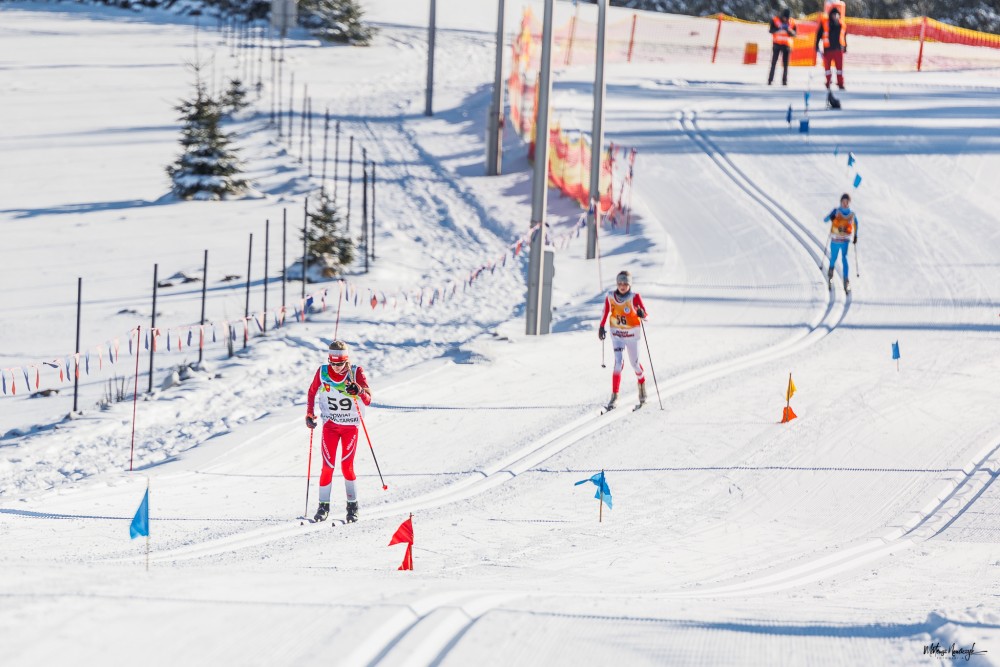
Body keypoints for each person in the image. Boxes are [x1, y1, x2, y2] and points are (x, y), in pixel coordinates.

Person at [305, 340, 373, 523]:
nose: (336, 368)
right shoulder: (323, 372)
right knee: (327, 466)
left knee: (346, 466)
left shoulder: (355, 372)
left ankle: (352, 506)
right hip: (331, 426)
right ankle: (323, 506)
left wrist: (358, 390)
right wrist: (309, 414)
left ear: (347, 361)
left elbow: (368, 399)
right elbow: (311, 393)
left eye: (340, 364)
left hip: (350, 427)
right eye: (333, 363)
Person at [598, 270, 648, 409]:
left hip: (632, 335)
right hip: (617, 334)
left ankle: (642, 388)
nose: (622, 286)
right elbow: (605, 311)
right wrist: (601, 327)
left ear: (629, 284)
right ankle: (614, 396)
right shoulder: (610, 297)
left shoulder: (634, 297)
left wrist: (641, 313)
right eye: (620, 283)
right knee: (618, 363)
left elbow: (646, 316)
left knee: (635, 364)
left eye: (625, 283)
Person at [823, 193, 859, 293]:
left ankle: (846, 280)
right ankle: (830, 275)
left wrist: (855, 236)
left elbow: (856, 224)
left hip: (845, 241)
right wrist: (831, 217)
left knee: (844, 259)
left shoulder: (851, 214)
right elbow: (825, 220)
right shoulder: (836, 211)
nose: (845, 203)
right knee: (833, 258)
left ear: (849, 203)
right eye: (843, 201)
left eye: (846, 202)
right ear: (841, 202)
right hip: (835, 240)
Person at [816, 7, 847, 91]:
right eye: (834, 14)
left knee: (839, 69)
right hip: (828, 49)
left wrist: (845, 47)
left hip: (838, 49)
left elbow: (844, 36)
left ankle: (840, 83)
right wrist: (816, 46)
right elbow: (818, 35)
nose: (835, 16)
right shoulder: (825, 23)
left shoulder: (842, 24)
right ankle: (828, 82)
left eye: (837, 15)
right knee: (827, 69)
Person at [767, 9, 797, 86]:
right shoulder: (775, 20)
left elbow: (795, 34)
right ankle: (770, 80)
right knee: (773, 63)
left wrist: (789, 30)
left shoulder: (792, 22)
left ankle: (784, 81)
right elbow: (770, 30)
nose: (785, 19)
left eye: (787, 18)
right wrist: (779, 29)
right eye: (784, 17)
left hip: (786, 45)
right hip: (777, 44)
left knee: (785, 64)